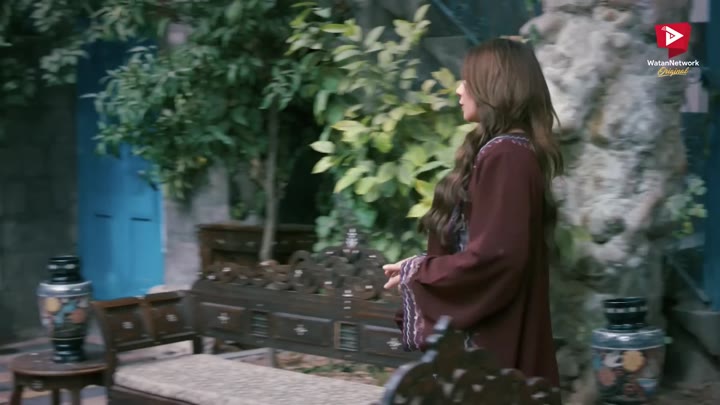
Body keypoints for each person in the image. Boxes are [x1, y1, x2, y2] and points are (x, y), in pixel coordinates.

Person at [383, 37, 563, 387]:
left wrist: (419, 272)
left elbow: (495, 258)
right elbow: (489, 247)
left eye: (467, 80)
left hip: (494, 344)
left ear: (493, 86)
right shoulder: (507, 152)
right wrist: (417, 269)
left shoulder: (507, 156)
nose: (458, 89)